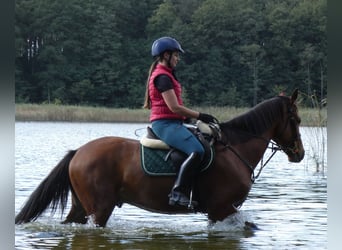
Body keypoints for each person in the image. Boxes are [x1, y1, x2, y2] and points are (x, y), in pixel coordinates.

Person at [143, 36, 217, 208]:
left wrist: (189, 118)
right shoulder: (162, 78)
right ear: (166, 55)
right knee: (197, 150)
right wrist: (200, 115)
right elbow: (174, 107)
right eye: (176, 55)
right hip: (165, 125)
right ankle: (177, 193)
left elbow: (175, 110)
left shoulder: (168, 75)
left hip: (173, 122)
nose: (178, 59)